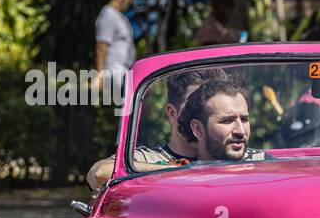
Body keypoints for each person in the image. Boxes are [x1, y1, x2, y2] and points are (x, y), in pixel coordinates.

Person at [85, 67, 231, 189]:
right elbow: (100, 173)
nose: (205, 116)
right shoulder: (149, 159)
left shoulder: (243, 157)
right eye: (195, 106)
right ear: (172, 113)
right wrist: (178, 170)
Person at [178, 78, 265, 161]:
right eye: (228, 121)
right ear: (198, 129)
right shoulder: (178, 174)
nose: (241, 131)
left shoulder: (267, 167)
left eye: (244, 119)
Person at [95, 0, 137, 105]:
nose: (131, 1)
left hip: (124, 73)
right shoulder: (108, 14)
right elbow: (101, 46)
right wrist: (101, 75)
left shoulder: (120, 17)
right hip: (114, 73)